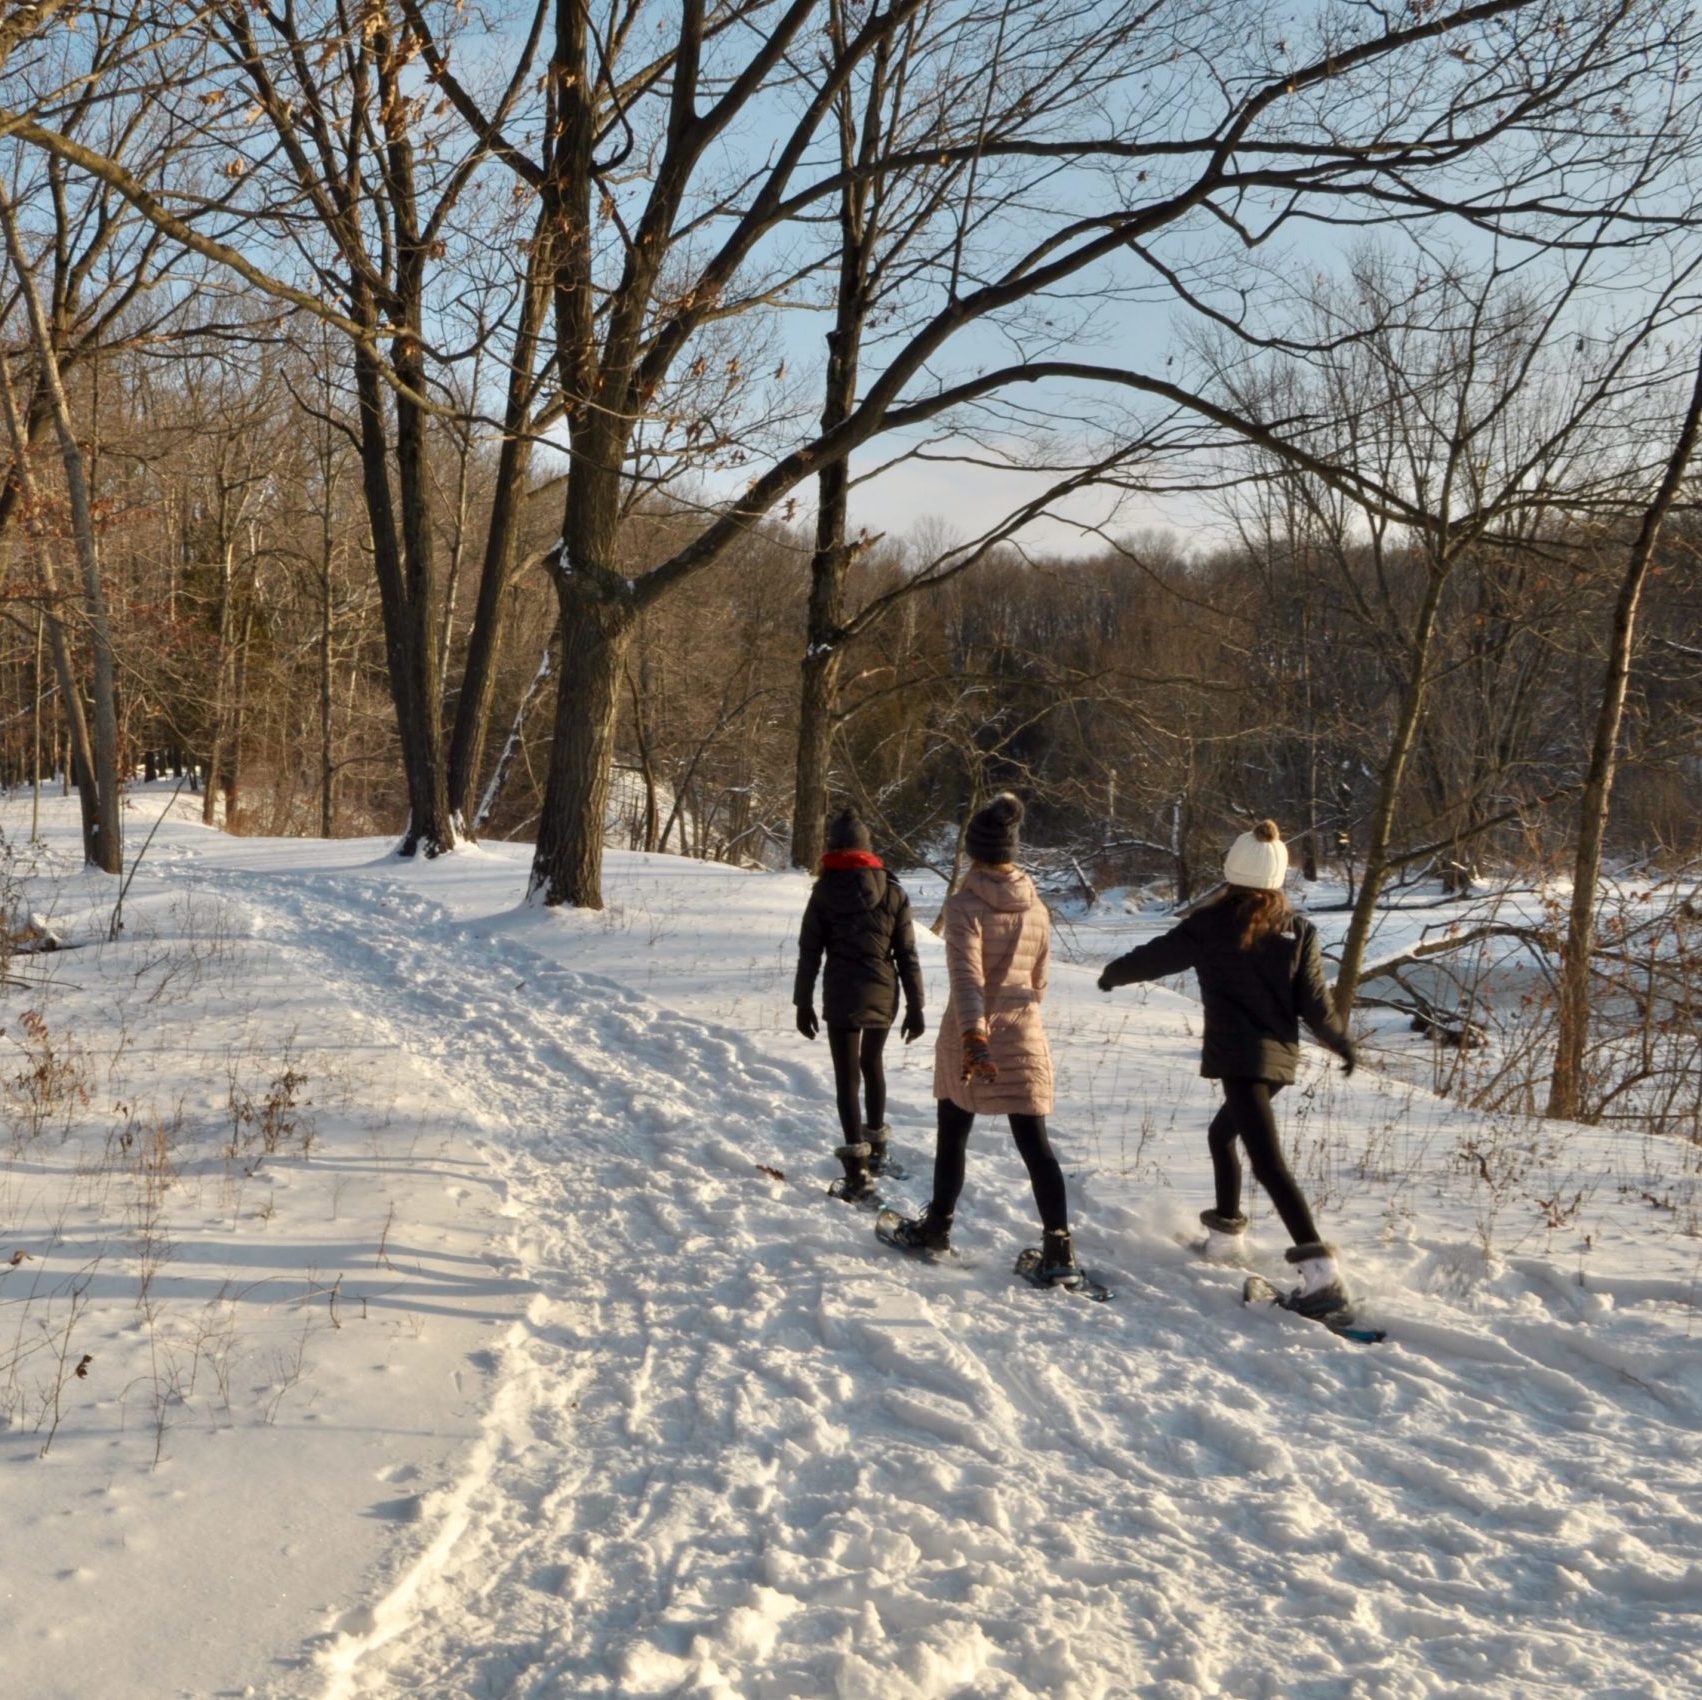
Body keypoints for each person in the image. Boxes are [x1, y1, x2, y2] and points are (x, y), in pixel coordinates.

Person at [1096, 819, 1359, 1319]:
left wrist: (1115, 974)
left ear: (1232, 871)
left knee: (1268, 1164)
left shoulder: (1212, 923)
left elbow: (1158, 956)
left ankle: (1322, 1276)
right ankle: (1224, 1237)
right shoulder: (1299, 930)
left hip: (1240, 1059)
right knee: (1222, 1137)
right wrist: (1340, 1040)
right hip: (1276, 1060)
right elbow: (1315, 1004)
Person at [883, 793, 1081, 1281]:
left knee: (953, 1132)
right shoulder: (1036, 906)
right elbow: (1039, 982)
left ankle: (938, 1229)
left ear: (973, 851)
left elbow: (967, 979)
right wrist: (1018, 1018)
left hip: (974, 1034)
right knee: (1036, 1145)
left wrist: (974, 1036)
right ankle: (1059, 1254)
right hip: (1026, 1034)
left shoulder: (964, 906)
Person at [794, 804, 925, 1200]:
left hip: (841, 991)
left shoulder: (823, 891)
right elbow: (907, 953)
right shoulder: (893, 890)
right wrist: (916, 1006)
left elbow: (809, 952)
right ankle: (879, 1152)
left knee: (847, 1076)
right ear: (867, 848)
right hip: (883, 989)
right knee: (873, 1065)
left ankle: (857, 1175)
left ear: (833, 848)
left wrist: (803, 1002)